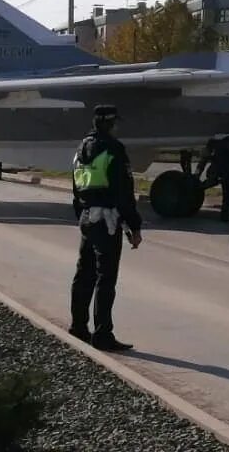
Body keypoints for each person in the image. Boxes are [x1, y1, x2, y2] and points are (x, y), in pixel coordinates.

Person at [69, 104, 142, 351]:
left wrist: (82, 216)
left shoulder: (81, 149)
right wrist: (134, 225)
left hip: (87, 218)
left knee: (84, 274)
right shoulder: (114, 149)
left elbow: (76, 188)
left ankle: (78, 327)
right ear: (111, 124)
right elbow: (124, 191)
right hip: (108, 220)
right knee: (105, 278)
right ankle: (103, 334)